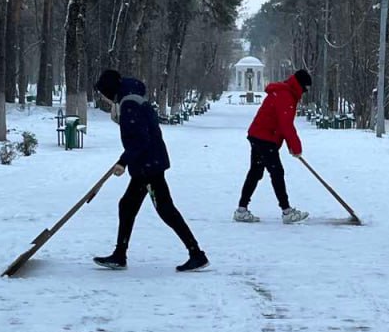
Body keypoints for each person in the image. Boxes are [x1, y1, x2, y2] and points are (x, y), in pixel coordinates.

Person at [92, 70, 208, 272]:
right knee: (127, 206)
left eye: (103, 93)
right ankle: (120, 255)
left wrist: (123, 162)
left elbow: (140, 139)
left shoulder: (129, 104)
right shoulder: (133, 98)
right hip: (147, 163)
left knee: (165, 210)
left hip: (148, 166)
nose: (103, 98)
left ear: (109, 90)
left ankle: (196, 254)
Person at [234, 68, 311, 224]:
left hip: (258, 135)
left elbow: (282, 125)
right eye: (305, 88)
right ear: (300, 85)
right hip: (264, 137)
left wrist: (291, 146)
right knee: (276, 172)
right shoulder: (285, 96)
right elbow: (286, 125)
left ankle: (242, 210)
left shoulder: (284, 92)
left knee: (256, 172)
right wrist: (296, 148)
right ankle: (287, 211)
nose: (305, 92)